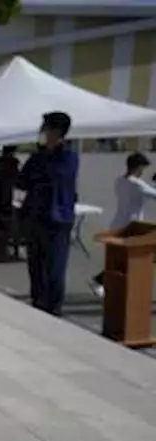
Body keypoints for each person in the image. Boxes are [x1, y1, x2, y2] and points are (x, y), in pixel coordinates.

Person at [17, 111, 80, 316]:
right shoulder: (38, 156)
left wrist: (38, 168)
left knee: (54, 269)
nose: (42, 133)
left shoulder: (68, 157)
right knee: (35, 267)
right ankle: (37, 305)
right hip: (35, 217)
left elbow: (53, 177)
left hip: (57, 219)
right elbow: (22, 181)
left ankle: (53, 310)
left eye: (46, 128)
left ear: (57, 131)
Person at [89, 152, 156, 297]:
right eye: (142, 168)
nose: (143, 172)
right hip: (131, 226)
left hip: (118, 222)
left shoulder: (120, 181)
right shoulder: (137, 184)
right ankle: (101, 281)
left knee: (121, 259)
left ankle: (106, 283)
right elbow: (152, 194)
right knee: (130, 259)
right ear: (137, 167)